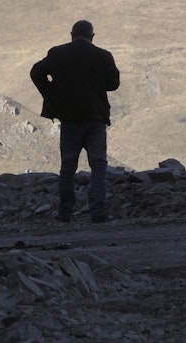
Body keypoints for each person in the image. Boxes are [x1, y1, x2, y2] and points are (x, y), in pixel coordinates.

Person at [30, 19, 120, 223]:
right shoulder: (103, 55)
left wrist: (51, 94)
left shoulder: (57, 53)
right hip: (95, 118)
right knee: (98, 165)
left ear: (71, 35)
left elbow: (36, 72)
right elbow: (113, 84)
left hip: (69, 119)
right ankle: (98, 212)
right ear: (92, 36)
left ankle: (65, 213)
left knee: (68, 167)